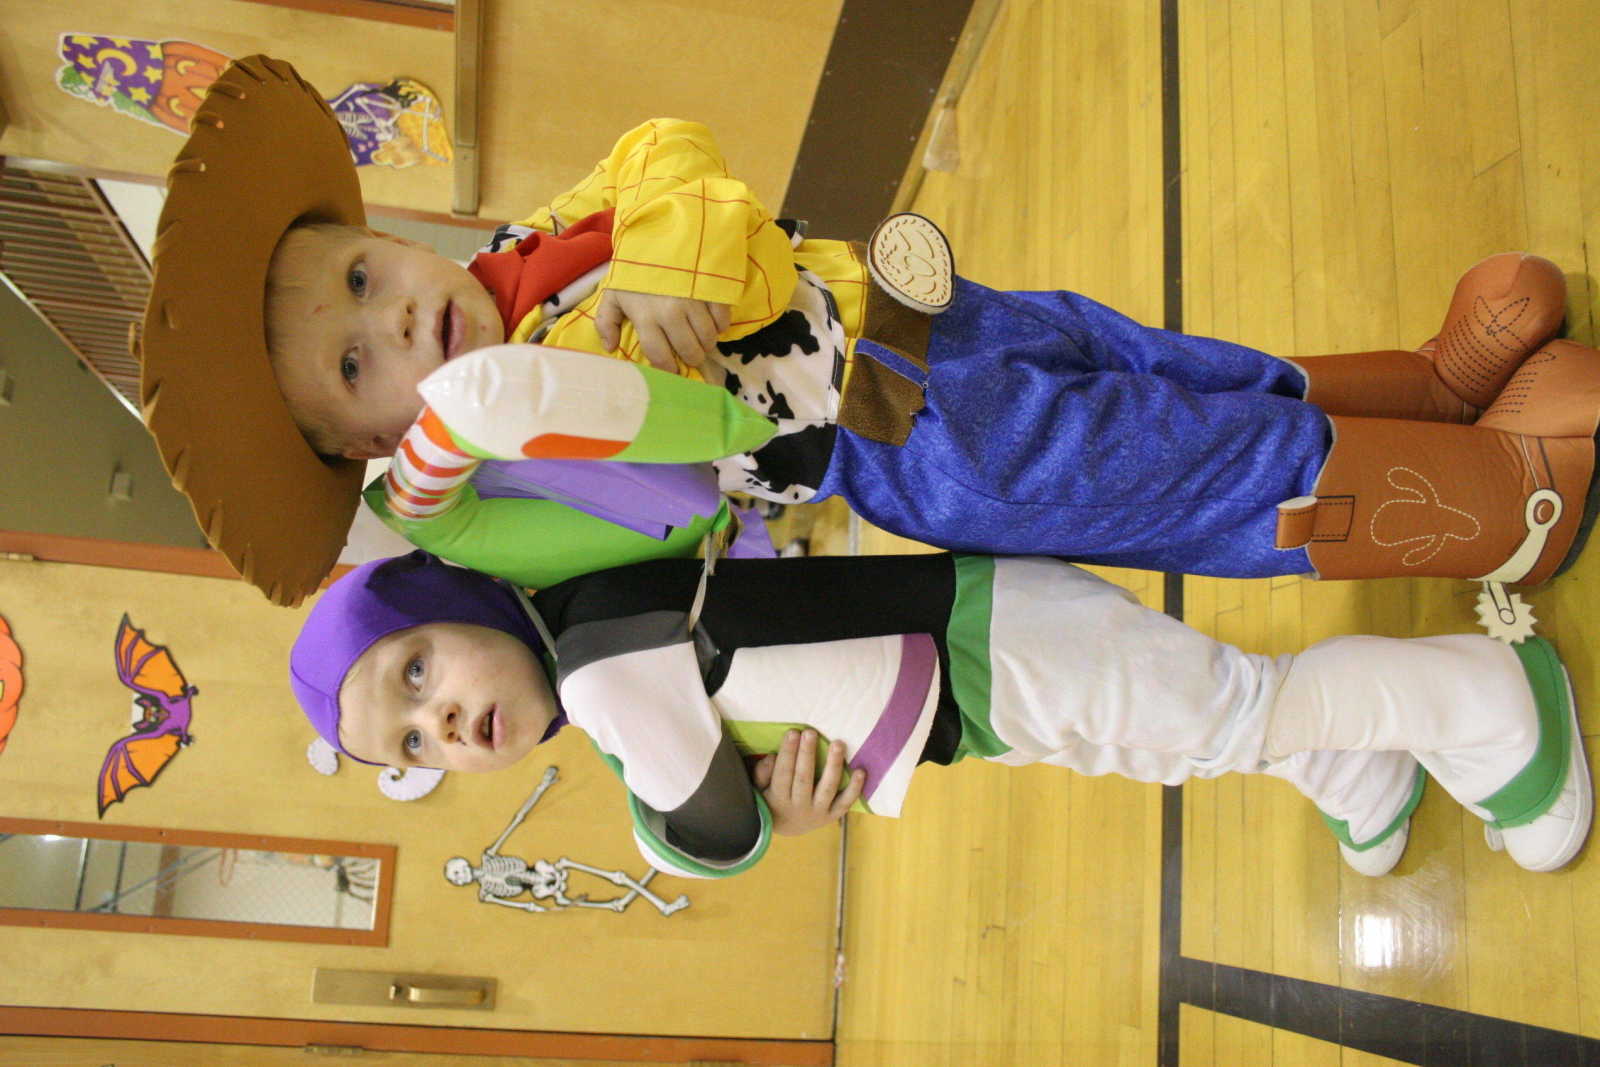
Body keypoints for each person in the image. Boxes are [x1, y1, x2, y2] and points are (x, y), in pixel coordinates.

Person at [140, 55, 1600, 606]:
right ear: (373, 440)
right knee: (1177, 463)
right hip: (914, 446)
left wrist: (658, 245)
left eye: (361, 276)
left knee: (1156, 364)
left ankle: (1431, 393)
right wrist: (442, 488)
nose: (398, 314)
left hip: (922, 315)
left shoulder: (528, 247)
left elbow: (666, 146)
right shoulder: (506, 449)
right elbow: (635, 507)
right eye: (358, 362)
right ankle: (1499, 509)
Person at [290, 550, 1592, 881]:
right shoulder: (581, 627)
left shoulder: (591, 668)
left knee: (1222, 712)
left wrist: (758, 826)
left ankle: (1491, 701)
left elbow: (709, 828)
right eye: (411, 744)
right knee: (1174, 732)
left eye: (417, 674)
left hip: (981, 645)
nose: (442, 725)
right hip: (972, 669)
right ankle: (1365, 772)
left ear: (454, 601)